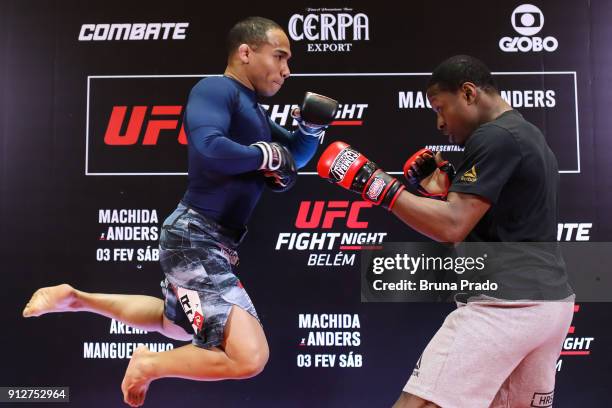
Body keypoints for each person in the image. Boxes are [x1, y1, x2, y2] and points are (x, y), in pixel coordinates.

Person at [22, 16, 335, 407]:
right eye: (279, 57)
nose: (287, 70)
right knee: (250, 357)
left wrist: (309, 131)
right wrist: (261, 154)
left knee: (171, 325)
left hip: (205, 239)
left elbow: (292, 158)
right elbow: (207, 145)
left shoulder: (252, 110)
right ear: (245, 52)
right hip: (195, 240)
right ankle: (148, 365)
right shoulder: (216, 90)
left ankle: (75, 298)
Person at [317, 55, 574, 408]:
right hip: (550, 305)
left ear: (468, 93)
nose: (439, 123)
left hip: (506, 304)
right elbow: (500, 219)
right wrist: (444, 192)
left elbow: (452, 224)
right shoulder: (527, 134)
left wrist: (374, 184)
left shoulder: (494, 137)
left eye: (441, 108)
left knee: (418, 405)